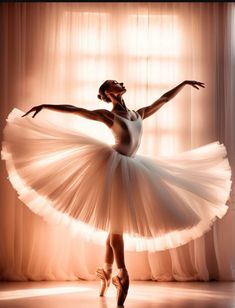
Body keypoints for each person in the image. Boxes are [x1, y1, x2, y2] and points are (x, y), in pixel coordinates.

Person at [2, 80, 232, 307]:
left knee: (114, 224)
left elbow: (164, 99)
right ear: (107, 92)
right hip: (113, 168)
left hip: (133, 167)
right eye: (114, 82)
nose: (120, 82)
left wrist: (183, 84)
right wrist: (45, 106)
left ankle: (106, 272)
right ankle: (122, 274)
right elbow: (76, 110)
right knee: (116, 224)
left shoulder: (139, 113)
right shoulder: (108, 116)